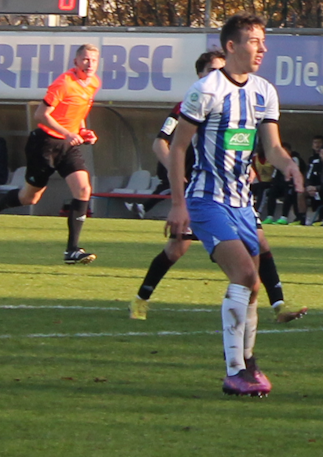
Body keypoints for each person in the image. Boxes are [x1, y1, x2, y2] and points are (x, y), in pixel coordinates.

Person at [165, 13, 301, 397]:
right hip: (206, 201)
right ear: (231, 46)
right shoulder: (206, 89)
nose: (263, 48)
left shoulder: (264, 91)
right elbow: (177, 148)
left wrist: (289, 165)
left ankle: (248, 361)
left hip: (242, 204)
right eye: (255, 41)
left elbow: (271, 147)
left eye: (263, 41)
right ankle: (234, 370)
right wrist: (178, 205)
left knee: (252, 287)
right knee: (244, 277)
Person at [130, 50, 305, 325]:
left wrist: (244, 165)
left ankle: (278, 304)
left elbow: (240, 141)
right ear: (200, 75)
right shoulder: (187, 105)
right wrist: (180, 177)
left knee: (259, 243)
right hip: (198, 190)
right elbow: (161, 143)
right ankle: (142, 298)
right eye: (212, 70)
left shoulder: (242, 99)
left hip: (233, 195)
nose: (219, 75)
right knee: (177, 249)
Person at [0, 43, 102, 263]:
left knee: (84, 188)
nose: (89, 64)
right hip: (44, 143)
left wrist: (83, 131)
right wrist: (66, 133)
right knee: (30, 197)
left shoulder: (93, 83)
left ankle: (72, 251)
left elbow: (77, 112)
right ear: (75, 62)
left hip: (67, 145)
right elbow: (41, 114)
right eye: (85, 59)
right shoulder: (64, 83)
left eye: (93, 60)